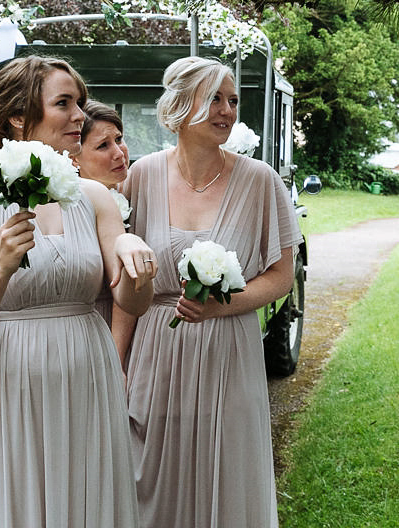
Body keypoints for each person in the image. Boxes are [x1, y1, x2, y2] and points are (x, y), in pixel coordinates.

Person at [0, 55, 155, 527]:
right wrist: (1, 269)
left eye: (79, 103)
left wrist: (137, 260)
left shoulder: (94, 198)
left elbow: (131, 303)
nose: (80, 115)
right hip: (1, 388)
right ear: (19, 116)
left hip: (84, 383)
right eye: (64, 103)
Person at [114, 56, 302, 528]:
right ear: (180, 106)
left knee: (225, 469)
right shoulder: (141, 176)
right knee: (147, 476)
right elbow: (125, 281)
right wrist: (115, 365)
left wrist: (221, 309)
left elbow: (281, 275)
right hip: (154, 352)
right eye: (214, 98)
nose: (227, 110)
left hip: (228, 352)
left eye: (233, 100)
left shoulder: (261, 181)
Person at [74, 99, 131, 327]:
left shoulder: (134, 193)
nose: (119, 153)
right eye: (103, 146)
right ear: (73, 156)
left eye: (118, 139)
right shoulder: (65, 209)